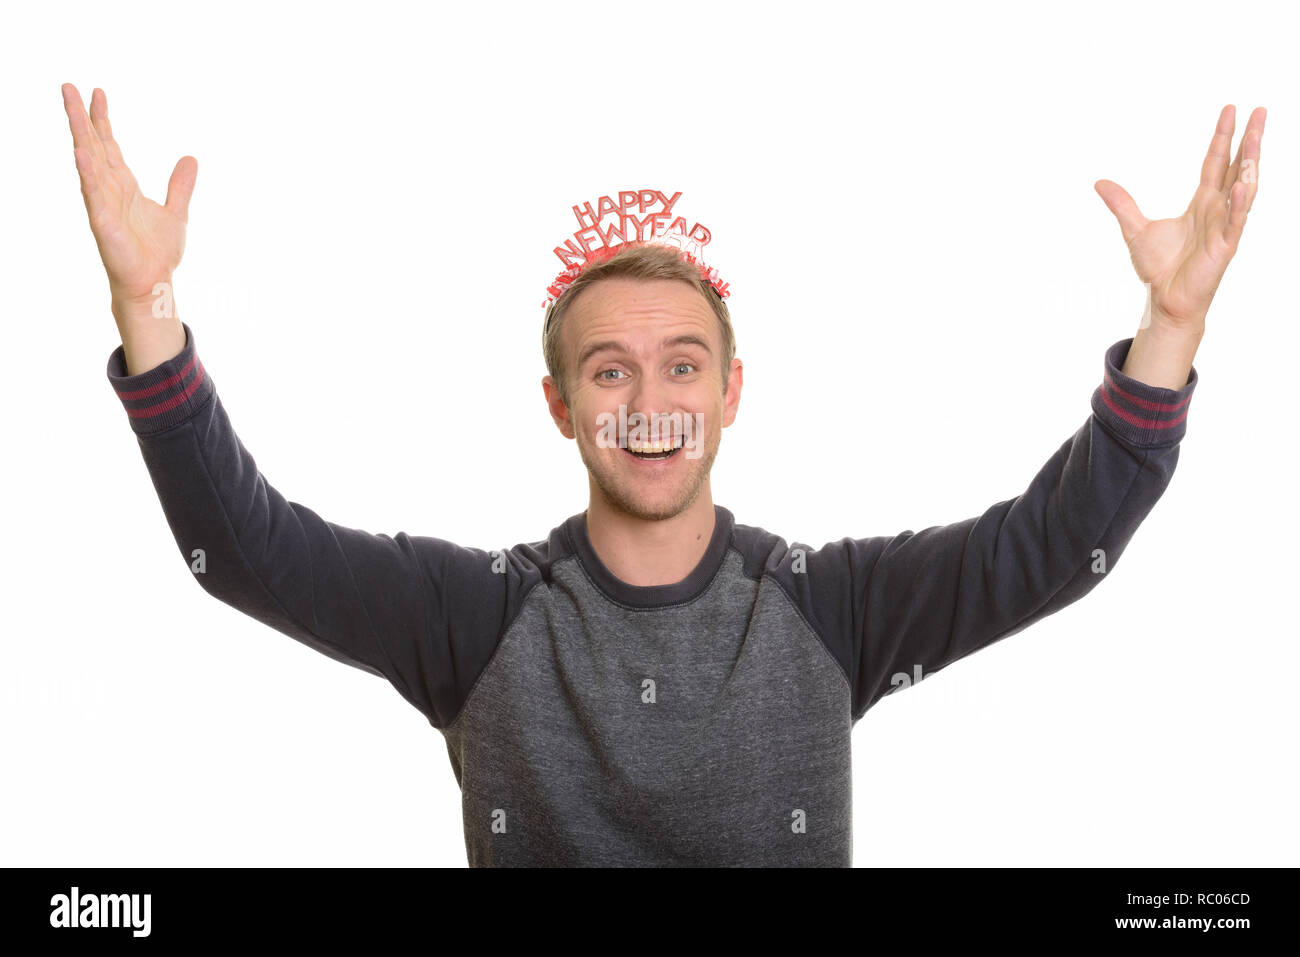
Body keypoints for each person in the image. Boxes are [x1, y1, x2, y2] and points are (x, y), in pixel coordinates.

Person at [62, 83, 1265, 867]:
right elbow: (247, 549)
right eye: (610, 373)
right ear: (561, 405)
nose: (648, 406)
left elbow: (1053, 547)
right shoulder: (473, 618)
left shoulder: (828, 609)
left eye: (682, 368)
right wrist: (147, 305)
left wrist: (1168, 328)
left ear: (729, 395)